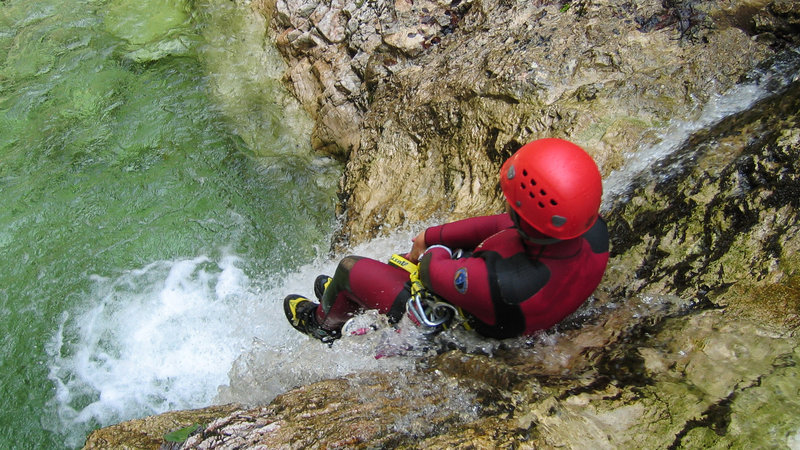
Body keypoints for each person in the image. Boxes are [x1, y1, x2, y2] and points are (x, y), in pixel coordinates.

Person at [283, 138, 609, 342]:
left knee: (349, 269)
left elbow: (431, 271)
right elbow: (502, 224)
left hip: (447, 330)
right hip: (507, 305)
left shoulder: (498, 280)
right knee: (384, 270)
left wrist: (436, 248)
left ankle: (325, 324)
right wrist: (432, 234)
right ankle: (347, 300)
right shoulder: (591, 231)